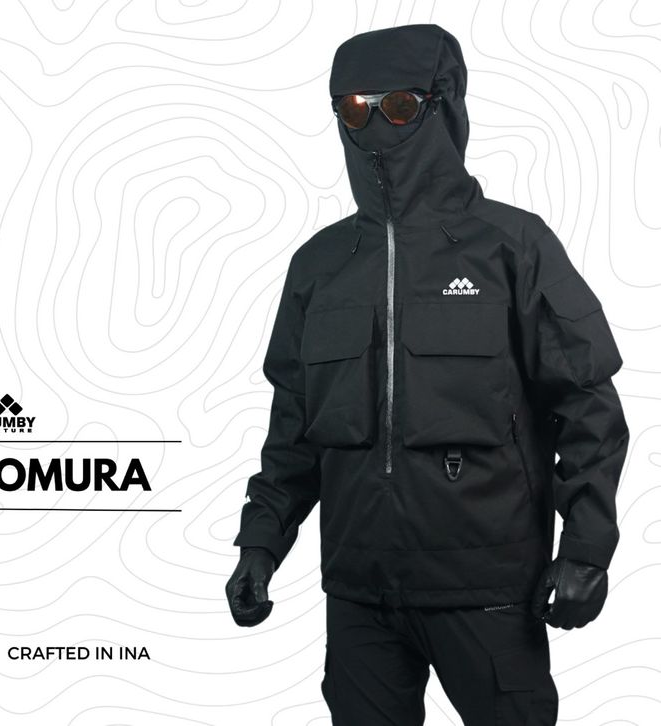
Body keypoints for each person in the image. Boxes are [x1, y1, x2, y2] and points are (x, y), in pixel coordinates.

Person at [225, 23, 629, 725]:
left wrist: (587, 549)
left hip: (488, 589)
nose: (375, 124)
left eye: (399, 106)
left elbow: (588, 405)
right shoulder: (319, 266)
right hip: (359, 594)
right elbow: (293, 428)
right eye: (354, 107)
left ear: (444, 106)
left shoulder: (513, 246)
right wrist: (261, 543)